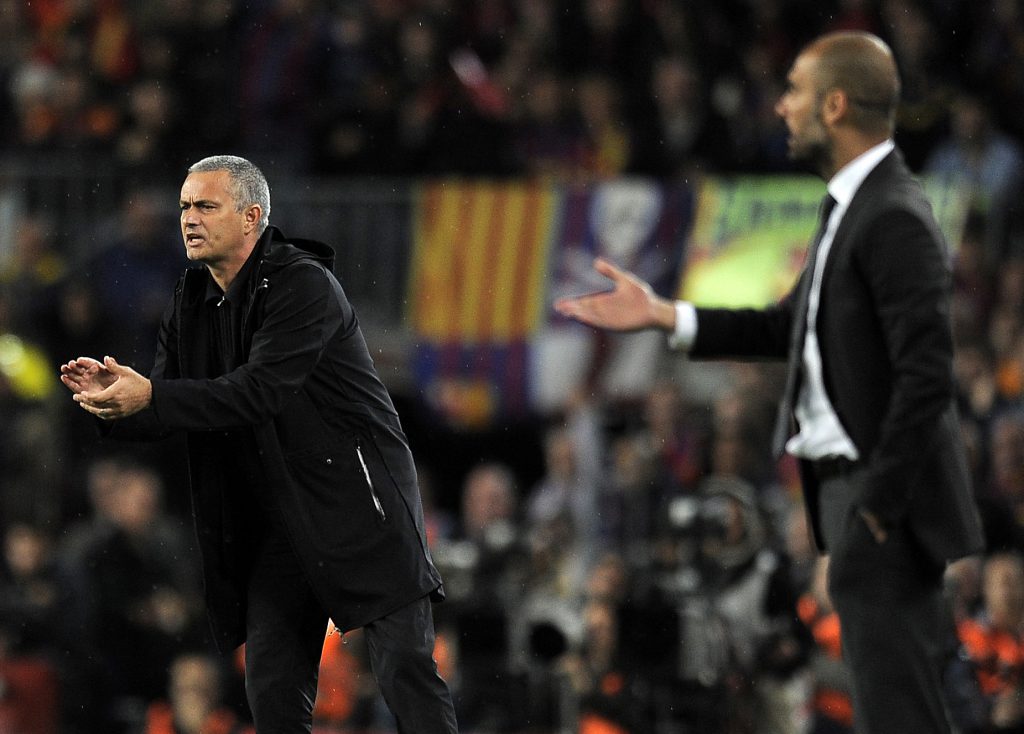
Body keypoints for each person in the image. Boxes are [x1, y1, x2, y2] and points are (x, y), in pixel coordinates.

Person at [556, 31, 985, 733]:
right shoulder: (849, 208)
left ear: (837, 105)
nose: (781, 107)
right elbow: (784, 327)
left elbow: (928, 376)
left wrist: (880, 503)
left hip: (881, 502)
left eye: (795, 91)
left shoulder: (894, 217)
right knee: (898, 705)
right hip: (857, 498)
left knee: (899, 711)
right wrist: (665, 314)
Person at [59, 155, 458, 734]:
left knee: (404, 669)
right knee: (270, 685)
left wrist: (154, 397)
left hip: (358, 503)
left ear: (252, 217)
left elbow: (257, 392)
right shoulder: (189, 299)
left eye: (205, 206)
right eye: (184, 207)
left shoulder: (302, 284)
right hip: (275, 520)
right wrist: (114, 405)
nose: (189, 220)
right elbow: (175, 406)